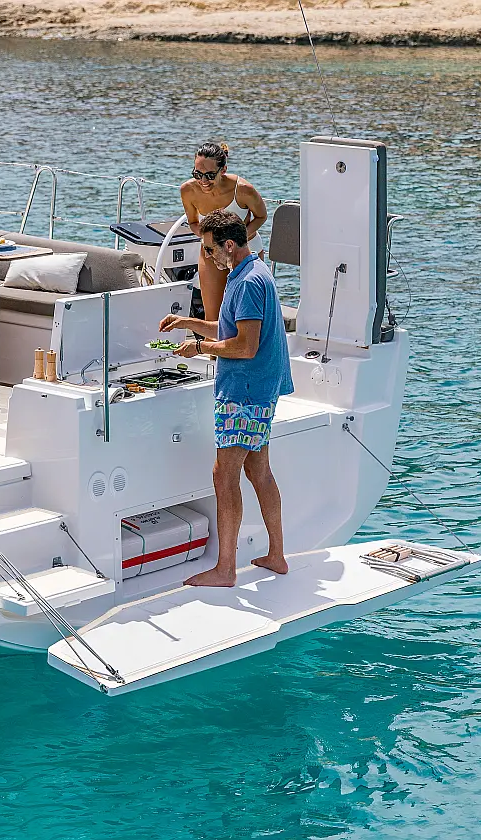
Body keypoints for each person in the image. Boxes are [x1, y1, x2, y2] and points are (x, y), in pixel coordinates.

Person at [159, 210, 293, 587]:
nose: (207, 256)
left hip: (244, 392)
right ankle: (276, 555)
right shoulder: (251, 272)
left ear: (229, 245)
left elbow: (245, 346)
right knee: (258, 471)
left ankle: (225, 569)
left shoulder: (248, 282)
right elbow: (231, 328)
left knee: (224, 474)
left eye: (209, 249)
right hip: (259, 389)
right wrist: (189, 323)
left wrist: (199, 348)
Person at [180, 141, 267, 325]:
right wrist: (212, 243)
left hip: (245, 250)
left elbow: (261, 216)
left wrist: (237, 238)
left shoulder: (243, 189)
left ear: (223, 170)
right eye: (198, 174)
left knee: (247, 316)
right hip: (212, 253)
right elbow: (194, 222)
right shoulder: (188, 190)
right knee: (213, 318)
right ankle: (214, 346)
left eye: (210, 175)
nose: (203, 181)